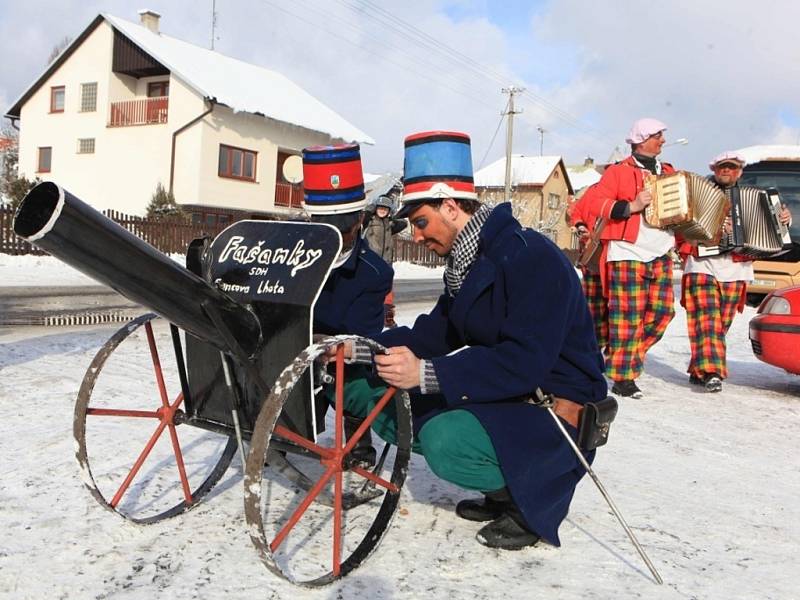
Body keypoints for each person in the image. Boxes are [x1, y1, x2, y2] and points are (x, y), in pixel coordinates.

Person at [338, 130, 608, 550]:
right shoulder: (469, 263)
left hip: (551, 404)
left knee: (446, 439)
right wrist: (364, 347)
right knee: (363, 389)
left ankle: (524, 502)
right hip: (502, 391)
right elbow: (435, 333)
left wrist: (426, 374)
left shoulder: (529, 257)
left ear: (450, 205)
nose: (418, 235)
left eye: (422, 221)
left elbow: (525, 360)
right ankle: (502, 485)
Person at [301, 143, 393, 465]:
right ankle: (284, 433)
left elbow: (364, 338)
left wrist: (320, 344)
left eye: (343, 224)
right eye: (324, 224)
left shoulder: (374, 273)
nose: (336, 234)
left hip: (338, 359)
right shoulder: (293, 256)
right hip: (293, 353)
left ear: (359, 221)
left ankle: (359, 447)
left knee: (352, 385)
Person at [678, 151, 793, 392]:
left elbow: (776, 228)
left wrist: (784, 220)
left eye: (732, 167)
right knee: (707, 319)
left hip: (737, 269)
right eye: (722, 167)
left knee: (720, 324)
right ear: (715, 168)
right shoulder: (698, 192)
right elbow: (681, 225)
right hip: (702, 265)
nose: (727, 171)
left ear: (740, 171)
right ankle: (712, 373)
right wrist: (713, 226)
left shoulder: (759, 196)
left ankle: (699, 367)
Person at [586, 118, 677, 399]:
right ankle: (624, 378)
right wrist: (632, 206)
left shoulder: (671, 172)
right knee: (627, 316)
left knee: (663, 313)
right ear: (642, 139)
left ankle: (619, 356)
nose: (662, 140)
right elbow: (593, 203)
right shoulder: (617, 172)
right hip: (627, 250)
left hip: (661, 249)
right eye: (658, 136)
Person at [568, 184, 609, 354]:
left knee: (616, 309)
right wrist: (581, 226)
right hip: (594, 255)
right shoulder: (595, 190)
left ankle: (612, 349)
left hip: (618, 255)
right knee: (594, 308)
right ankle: (593, 348)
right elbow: (576, 213)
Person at [363, 194, 408, 327]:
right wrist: (370, 209)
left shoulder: (390, 224)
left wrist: (394, 216)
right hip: (372, 261)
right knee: (370, 289)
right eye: (380, 207)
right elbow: (363, 218)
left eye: (386, 208)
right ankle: (368, 316)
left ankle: (387, 317)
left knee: (387, 291)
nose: (382, 210)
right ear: (376, 208)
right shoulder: (369, 221)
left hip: (386, 261)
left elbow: (404, 223)